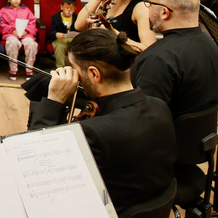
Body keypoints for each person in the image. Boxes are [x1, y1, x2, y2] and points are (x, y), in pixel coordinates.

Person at [27, 28, 176, 215]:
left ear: (94, 74)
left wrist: (54, 100)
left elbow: (35, 165)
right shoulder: (159, 106)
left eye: (74, 68)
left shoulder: (94, 132)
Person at [0, 0, 37, 80]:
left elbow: (33, 23)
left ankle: (29, 69)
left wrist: (27, 31)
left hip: (25, 34)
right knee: (12, 43)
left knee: (31, 44)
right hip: (11, 34)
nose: (16, 0)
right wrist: (12, 30)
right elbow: (1, 24)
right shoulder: (3, 11)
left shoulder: (26, 10)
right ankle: (13, 69)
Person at [47, 0, 79, 68]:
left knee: (79, 45)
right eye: (67, 8)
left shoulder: (76, 17)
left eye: (72, 9)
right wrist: (56, 34)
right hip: (60, 39)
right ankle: (60, 66)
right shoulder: (56, 18)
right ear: (61, 7)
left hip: (72, 39)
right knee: (60, 46)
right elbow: (51, 32)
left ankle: (77, 66)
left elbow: (79, 30)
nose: (69, 10)